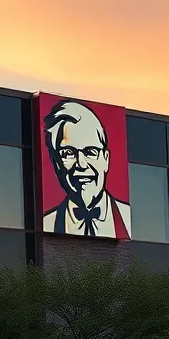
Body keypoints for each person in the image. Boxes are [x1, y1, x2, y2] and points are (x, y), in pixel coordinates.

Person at [42, 100, 131, 238]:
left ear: (106, 159)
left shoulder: (128, 218)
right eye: (69, 153)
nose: (82, 164)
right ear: (56, 163)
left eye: (90, 152)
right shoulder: (47, 224)